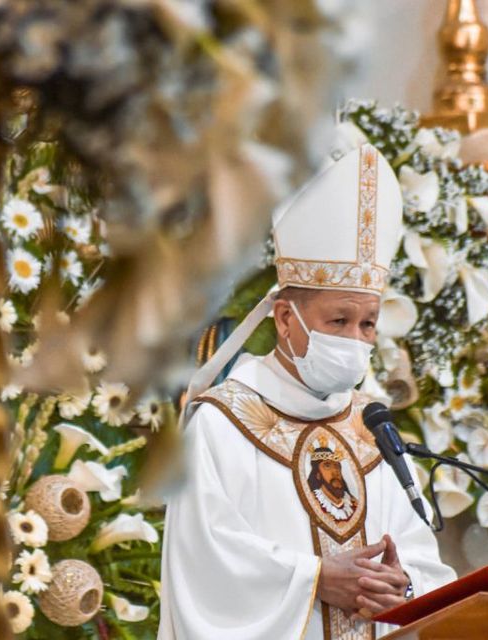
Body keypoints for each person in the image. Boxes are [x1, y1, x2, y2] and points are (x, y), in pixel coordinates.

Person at [159, 145, 456, 639]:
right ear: (284, 319)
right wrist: (314, 579)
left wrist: (402, 584)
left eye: (367, 324)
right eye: (338, 320)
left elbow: (420, 555)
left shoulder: (372, 428)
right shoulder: (223, 420)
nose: (355, 340)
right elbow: (203, 560)